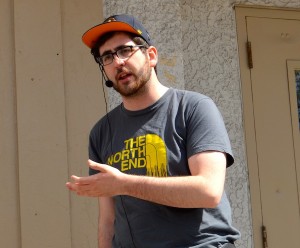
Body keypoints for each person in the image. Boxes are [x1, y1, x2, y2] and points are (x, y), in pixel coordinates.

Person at [66, 14, 240, 248]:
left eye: (125, 50)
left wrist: (124, 184)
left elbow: (208, 191)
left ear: (151, 56)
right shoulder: (101, 132)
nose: (117, 62)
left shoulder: (193, 108)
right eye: (107, 57)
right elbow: (108, 220)